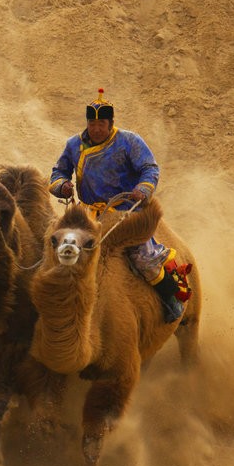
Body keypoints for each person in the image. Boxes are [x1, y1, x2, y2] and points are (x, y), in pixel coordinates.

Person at [48, 88, 187, 322]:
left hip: (126, 212)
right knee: (57, 249)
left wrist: (143, 189)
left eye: (101, 123)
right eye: (92, 123)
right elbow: (58, 172)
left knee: (144, 259)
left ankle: (171, 301)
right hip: (88, 215)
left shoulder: (129, 141)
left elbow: (150, 168)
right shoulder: (74, 145)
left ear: (111, 122)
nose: (96, 128)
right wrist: (61, 185)